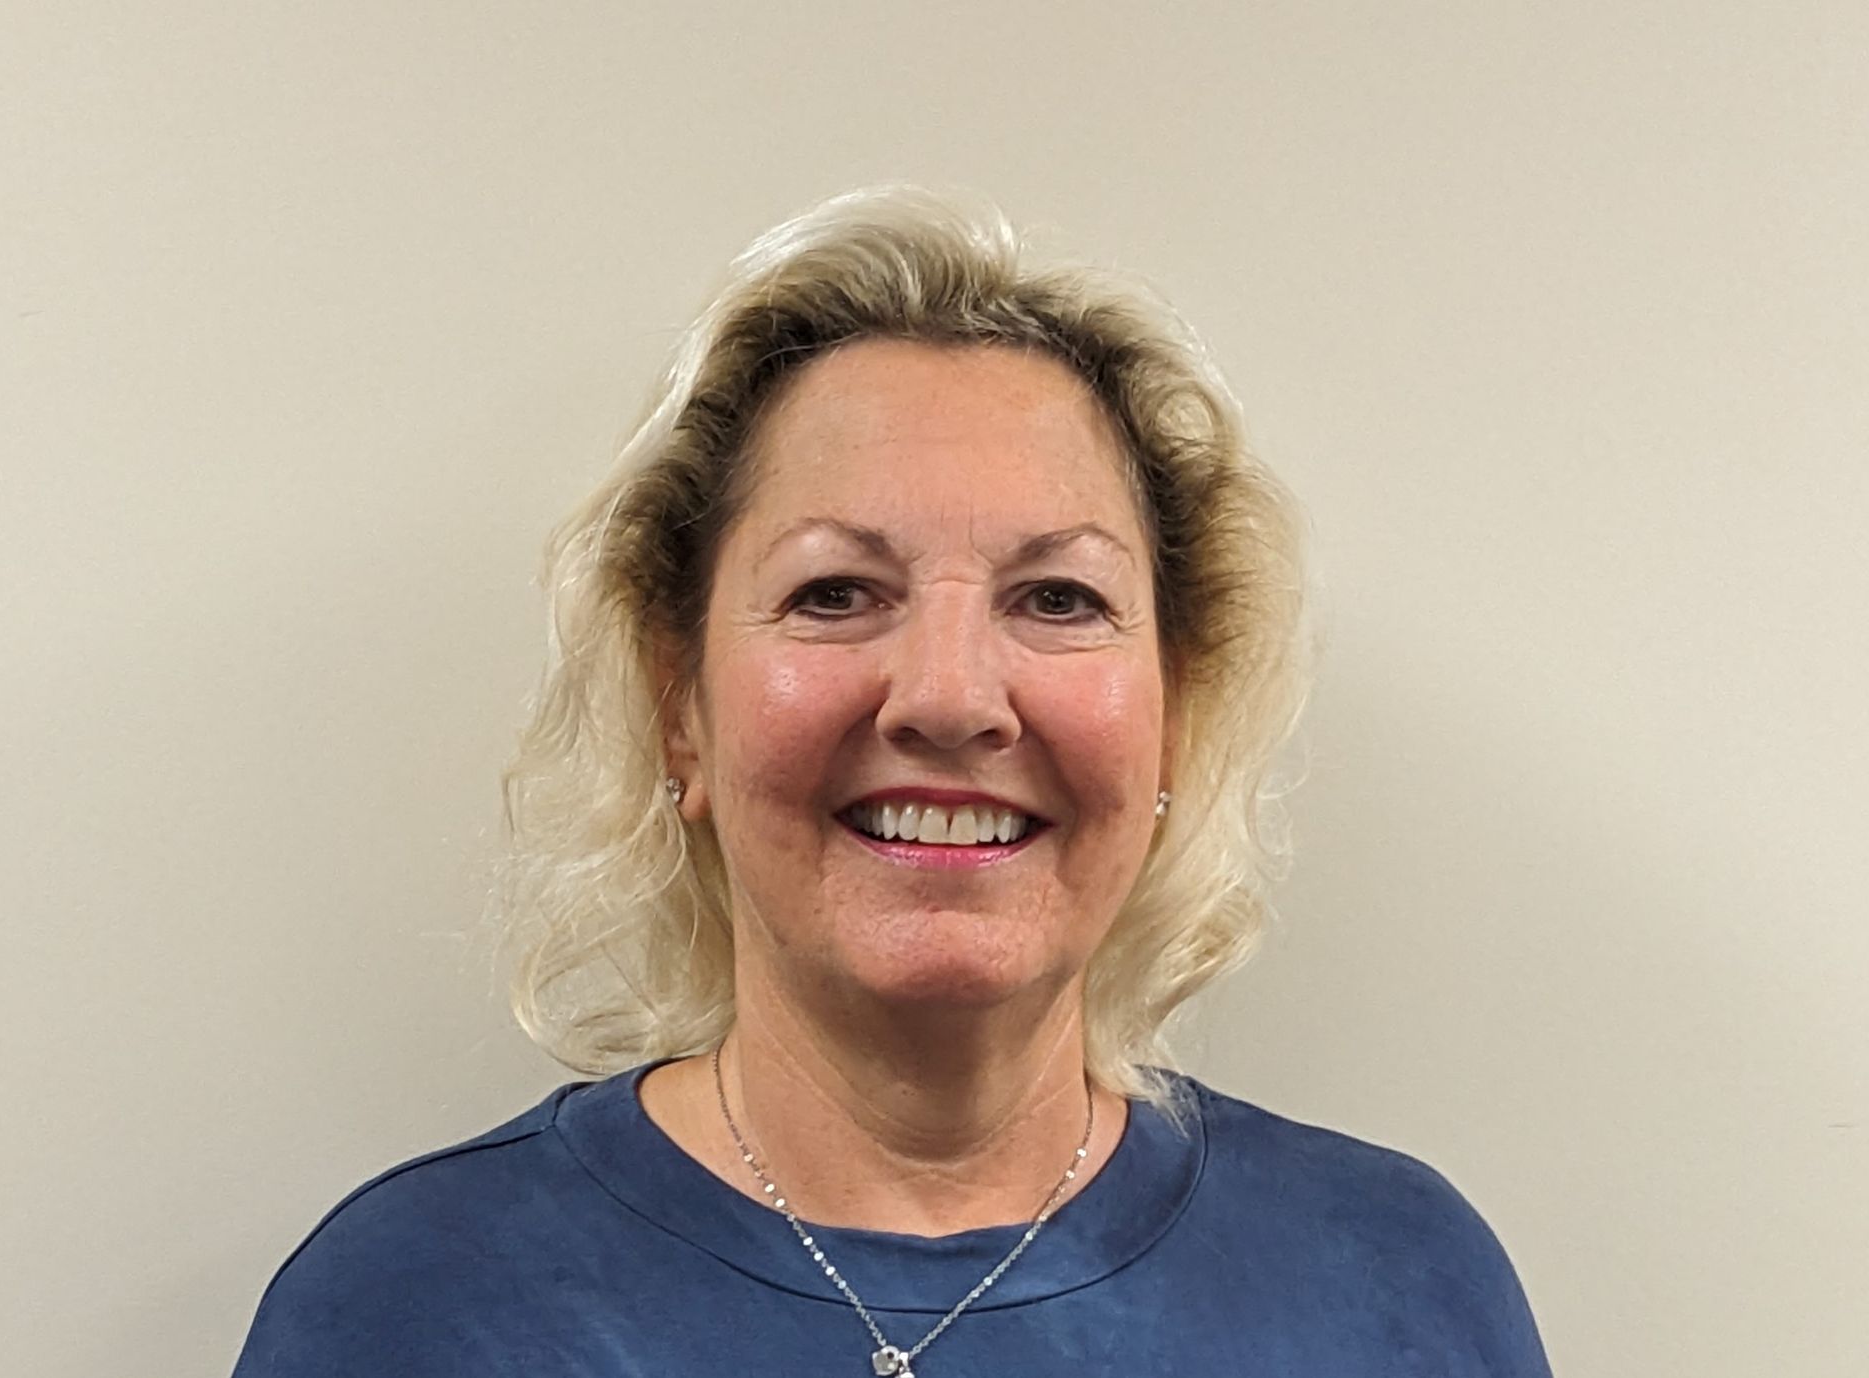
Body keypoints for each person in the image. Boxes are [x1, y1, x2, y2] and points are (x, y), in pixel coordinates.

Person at [231, 186, 1552, 1376]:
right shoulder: (415, 1312)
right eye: (836, 591)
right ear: (676, 701)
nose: (950, 696)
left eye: (1058, 595)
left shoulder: (1397, 1289)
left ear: (1175, 714)